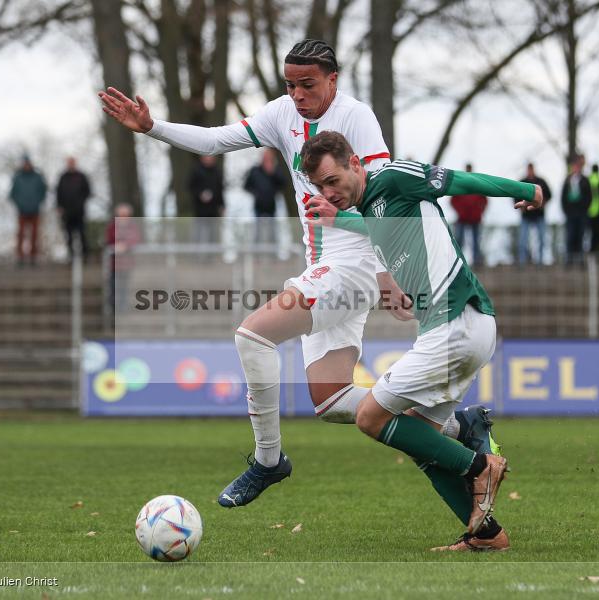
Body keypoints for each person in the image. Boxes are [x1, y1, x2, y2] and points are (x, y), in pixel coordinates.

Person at [99, 39, 496, 510]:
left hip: (354, 265)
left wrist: (388, 274)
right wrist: (151, 127)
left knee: (253, 335)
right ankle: (459, 428)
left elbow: (384, 201)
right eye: (290, 85)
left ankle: (268, 461)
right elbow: (215, 139)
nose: (298, 94)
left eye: (308, 84)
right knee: (332, 401)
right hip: (326, 269)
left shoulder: (356, 118)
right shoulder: (280, 114)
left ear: (333, 79)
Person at [300, 131, 543, 551]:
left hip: (458, 323)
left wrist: (525, 190)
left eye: (333, 180)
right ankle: (486, 535)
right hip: (454, 330)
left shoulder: (394, 176)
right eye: (320, 186)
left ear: (355, 163)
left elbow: (459, 182)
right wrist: (338, 219)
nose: (329, 191)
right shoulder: (374, 208)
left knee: (369, 417)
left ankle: (480, 464)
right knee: (418, 438)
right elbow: (372, 223)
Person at [245, 150, 287, 246]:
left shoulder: (276, 170)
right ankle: (257, 255)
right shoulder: (255, 170)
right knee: (257, 232)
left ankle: (274, 255)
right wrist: (256, 193)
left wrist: (273, 173)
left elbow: (284, 183)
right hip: (258, 205)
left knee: (273, 232)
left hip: (272, 205)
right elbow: (246, 186)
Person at [10, 155, 47, 265]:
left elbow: (43, 192)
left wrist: (37, 202)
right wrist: (19, 204)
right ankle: (20, 256)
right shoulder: (17, 178)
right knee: (21, 234)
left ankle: (33, 256)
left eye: (28, 163)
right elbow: (13, 194)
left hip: (35, 210)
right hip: (22, 211)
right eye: (24, 163)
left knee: (35, 234)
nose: (26, 165)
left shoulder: (38, 177)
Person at [449, 163, 487, 265]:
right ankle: (458, 262)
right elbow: (453, 200)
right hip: (462, 218)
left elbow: (485, 200)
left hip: (475, 218)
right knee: (459, 241)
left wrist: (480, 211)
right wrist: (460, 211)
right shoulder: (460, 183)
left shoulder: (477, 183)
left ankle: (477, 261)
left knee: (476, 242)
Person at [105, 203, 141, 313]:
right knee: (113, 288)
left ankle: (122, 309)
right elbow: (108, 240)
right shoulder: (112, 226)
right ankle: (113, 311)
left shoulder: (133, 226)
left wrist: (125, 245)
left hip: (126, 264)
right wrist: (117, 245)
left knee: (124, 287)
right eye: (121, 215)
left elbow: (135, 239)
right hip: (114, 264)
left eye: (126, 215)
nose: (123, 217)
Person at [56, 157, 92, 261]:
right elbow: (58, 193)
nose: (71, 164)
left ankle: (85, 255)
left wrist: (81, 202)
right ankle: (71, 254)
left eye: (72, 163)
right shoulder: (63, 177)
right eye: (69, 163)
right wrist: (59, 206)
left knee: (82, 233)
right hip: (66, 212)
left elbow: (87, 191)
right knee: (68, 234)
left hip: (79, 211)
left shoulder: (81, 176)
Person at [517, 162, 551, 265]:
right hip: (526, 215)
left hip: (539, 215)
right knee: (523, 240)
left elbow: (549, 195)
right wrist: (520, 208)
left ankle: (540, 261)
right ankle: (522, 262)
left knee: (541, 239)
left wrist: (543, 203)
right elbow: (515, 197)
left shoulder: (541, 182)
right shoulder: (522, 182)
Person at [188, 154, 225, 249]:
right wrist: (200, 194)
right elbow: (190, 187)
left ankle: (211, 257)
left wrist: (222, 205)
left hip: (213, 209)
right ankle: (197, 256)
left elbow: (220, 190)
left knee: (213, 233)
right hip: (200, 209)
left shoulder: (217, 172)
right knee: (199, 233)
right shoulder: (196, 171)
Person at [560, 155, 591, 265]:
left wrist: (584, 209)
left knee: (581, 237)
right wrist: (566, 211)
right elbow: (563, 197)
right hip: (570, 214)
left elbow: (589, 196)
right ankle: (569, 260)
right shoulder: (567, 180)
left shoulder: (585, 180)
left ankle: (580, 260)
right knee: (570, 236)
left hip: (581, 214)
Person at [587, 164, 599, 254]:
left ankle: (591, 252)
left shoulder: (588, 180)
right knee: (598, 234)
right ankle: (596, 251)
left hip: (588, 210)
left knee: (589, 234)